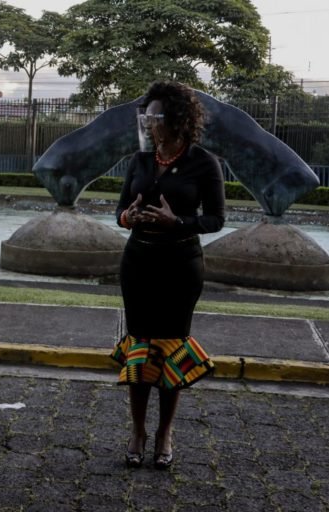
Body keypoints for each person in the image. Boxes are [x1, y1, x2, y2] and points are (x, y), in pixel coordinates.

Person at [111, 81, 224, 470]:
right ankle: (138, 431)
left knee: (171, 349)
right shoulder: (140, 161)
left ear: (177, 119)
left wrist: (177, 221)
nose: (149, 123)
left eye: (155, 116)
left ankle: (165, 433)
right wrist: (131, 216)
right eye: (147, 116)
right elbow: (121, 210)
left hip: (180, 267)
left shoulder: (204, 163)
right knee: (140, 347)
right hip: (139, 263)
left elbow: (216, 219)